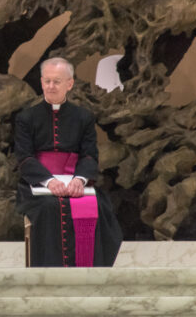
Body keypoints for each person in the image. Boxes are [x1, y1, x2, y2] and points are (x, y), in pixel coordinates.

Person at [15, 57, 122, 267]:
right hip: (37, 185)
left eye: (56, 81)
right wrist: (48, 181)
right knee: (49, 207)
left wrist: (80, 180)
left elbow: (90, 155)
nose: (51, 86)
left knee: (99, 208)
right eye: (47, 81)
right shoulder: (26, 118)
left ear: (69, 84)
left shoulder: (83, 117)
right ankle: (48, 274)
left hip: (76, 182)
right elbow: (24, 157)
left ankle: (90, 274)